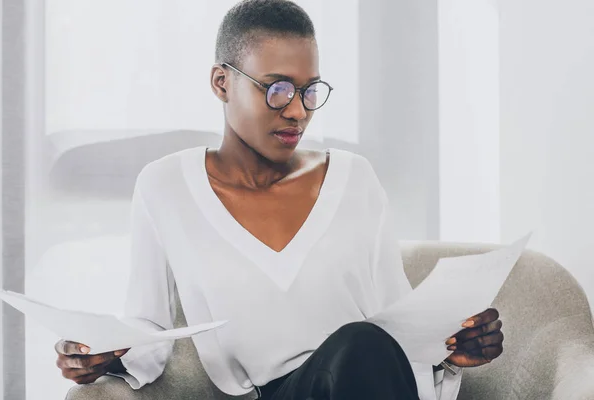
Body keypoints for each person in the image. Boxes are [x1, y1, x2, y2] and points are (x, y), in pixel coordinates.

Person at [54, 1, 504, 399]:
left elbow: (396, 319)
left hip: (370, 375)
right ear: (221, 82)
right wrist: (101, 357)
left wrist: (452, 347)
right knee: (359, 345)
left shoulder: (354, 179)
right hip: (279, 392)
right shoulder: (164, 186)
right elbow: (149, 331)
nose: (298, 111)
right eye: (278, 89)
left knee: (363, 344)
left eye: (309, 90)